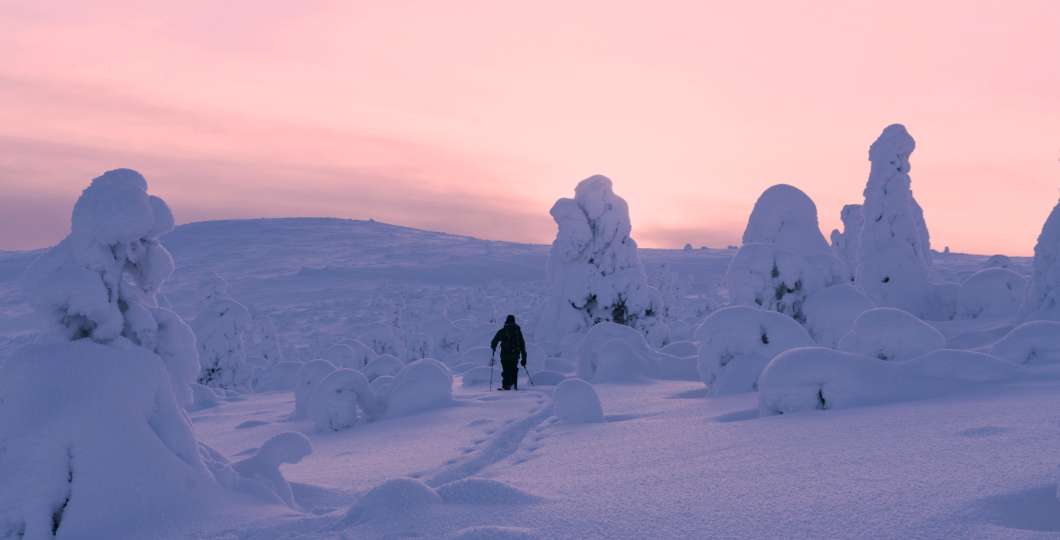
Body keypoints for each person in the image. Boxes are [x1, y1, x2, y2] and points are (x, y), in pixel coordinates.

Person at [490, 314, 527, 391]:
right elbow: (522, 345)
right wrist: (524, 358)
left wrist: (493, 347)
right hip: (515, 355)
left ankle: (506, 386)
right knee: (514, 369)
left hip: (505, 355)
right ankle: (514, 386)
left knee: (506, 370)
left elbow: (495, 340)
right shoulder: (517, 331)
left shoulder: (503, 330)